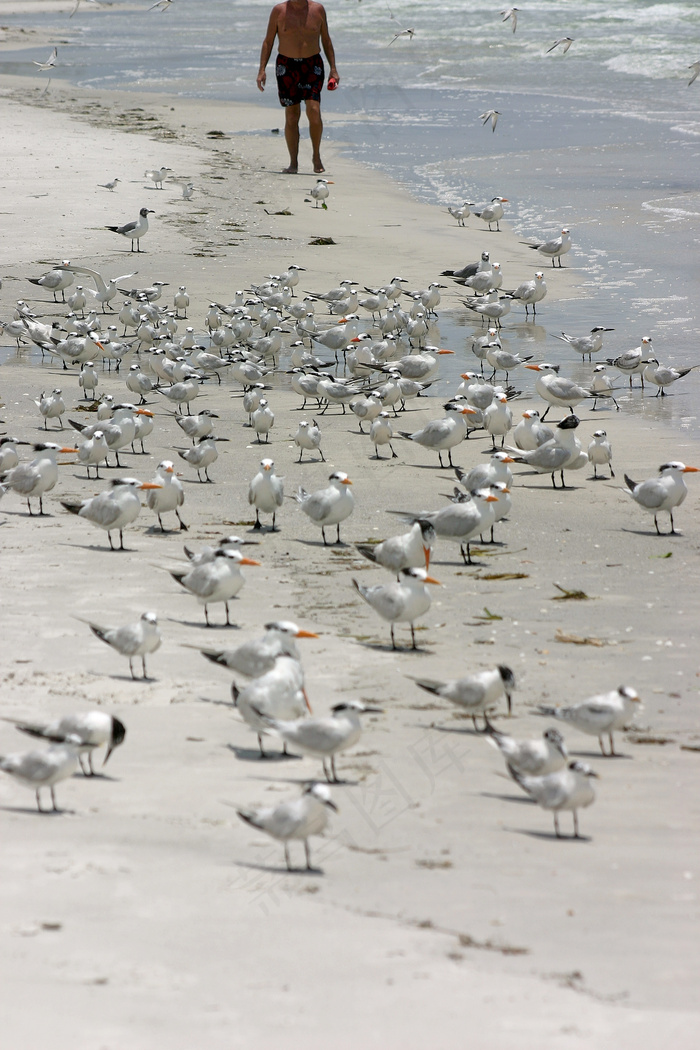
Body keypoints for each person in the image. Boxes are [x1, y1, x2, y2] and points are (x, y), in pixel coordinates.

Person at [257, 0, 339, 175]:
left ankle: (316, 156)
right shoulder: (279, 11)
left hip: (312, 65)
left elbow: (326, 39)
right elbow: (268, 41)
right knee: (292, 115)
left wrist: (333, 69)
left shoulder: (318, 10)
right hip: (286, 65)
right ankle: (293, 162)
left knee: (314, 110)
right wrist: (262, 70)